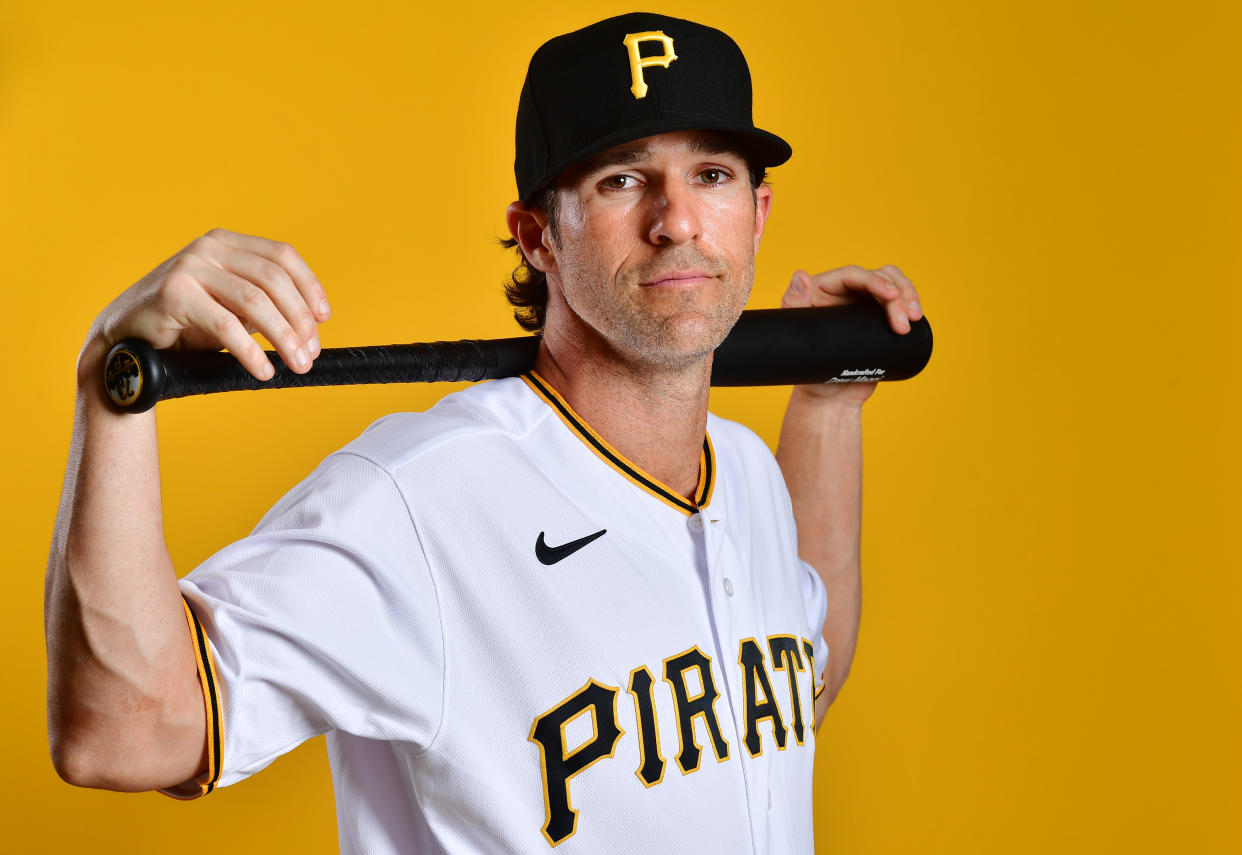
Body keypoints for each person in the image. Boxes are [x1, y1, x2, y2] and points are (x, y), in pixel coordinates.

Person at [45, 11, 923, 854]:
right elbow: (118, 732)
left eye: (713, 174)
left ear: (759, 213)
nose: (678, 220)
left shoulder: (745, 471)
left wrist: (826, 407)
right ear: (536, 236)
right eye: (622, 178)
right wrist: (110, 386)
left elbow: (802, 680)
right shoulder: (415, 500)